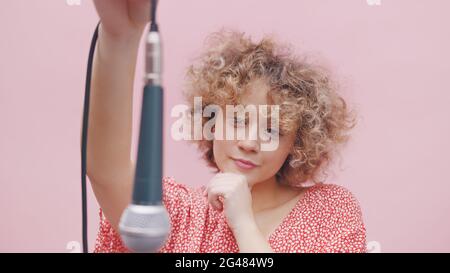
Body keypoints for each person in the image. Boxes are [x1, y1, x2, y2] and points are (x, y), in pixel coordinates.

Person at [88, 0, 366, 253]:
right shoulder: (180, 214)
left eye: (272, 131)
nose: (249, 142)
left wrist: (244, 224)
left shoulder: (330, 212)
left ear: (297, 144)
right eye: (237, 120)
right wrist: (120, 36)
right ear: (211, 121)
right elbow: (105, 169)